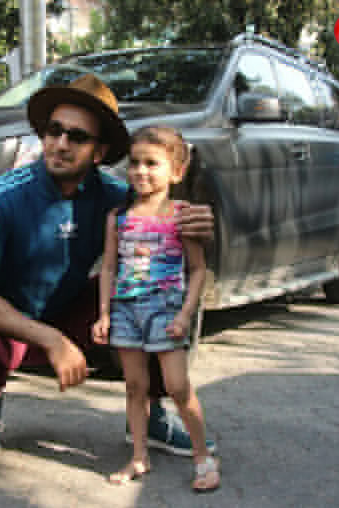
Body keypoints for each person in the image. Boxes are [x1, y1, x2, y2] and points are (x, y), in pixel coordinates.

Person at [0, 74, 216, 463]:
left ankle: (150, 412)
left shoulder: (114, 197)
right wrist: (51, 339)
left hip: (72, 311)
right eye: (54, 131)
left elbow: (164, 200)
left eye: (77, 137)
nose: (61, 144)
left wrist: (198, 220)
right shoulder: (0, 195)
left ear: (99, 153)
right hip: (7, 323)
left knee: (155, 298)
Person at [92, 126, 220, 491]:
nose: (141, 171)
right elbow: (109, 267)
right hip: (125, 310)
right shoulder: (119, 218)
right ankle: (138, 456)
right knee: (135, 386)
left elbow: (197, 270)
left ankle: (202, 458)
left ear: (176, 172)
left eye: (152, 163)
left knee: (178, 386)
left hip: (165, 310)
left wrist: (184, 314)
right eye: (135, 163)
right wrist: (103, 313)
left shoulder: (182, 216)